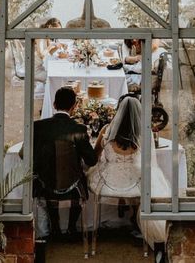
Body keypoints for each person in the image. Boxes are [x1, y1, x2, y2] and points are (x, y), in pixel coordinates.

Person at [88, 95, 170, 263]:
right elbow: (149, 163)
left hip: (107, 185)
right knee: (151, 177)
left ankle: (95, 234)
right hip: (135, 186)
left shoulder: (106, 130)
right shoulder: (144, 133)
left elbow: (94, 157)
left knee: (92, 173)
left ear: (118, 111)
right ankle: (138, 224)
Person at [32, 87, 97, 261]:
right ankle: (71, 228)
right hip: (73, 188)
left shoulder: (37, 127)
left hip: (44, 187)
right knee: (79, 176)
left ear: (54, 104)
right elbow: (91, 160)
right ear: (74, 106)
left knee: (47, 177)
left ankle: (54, 227)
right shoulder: (79, 129)